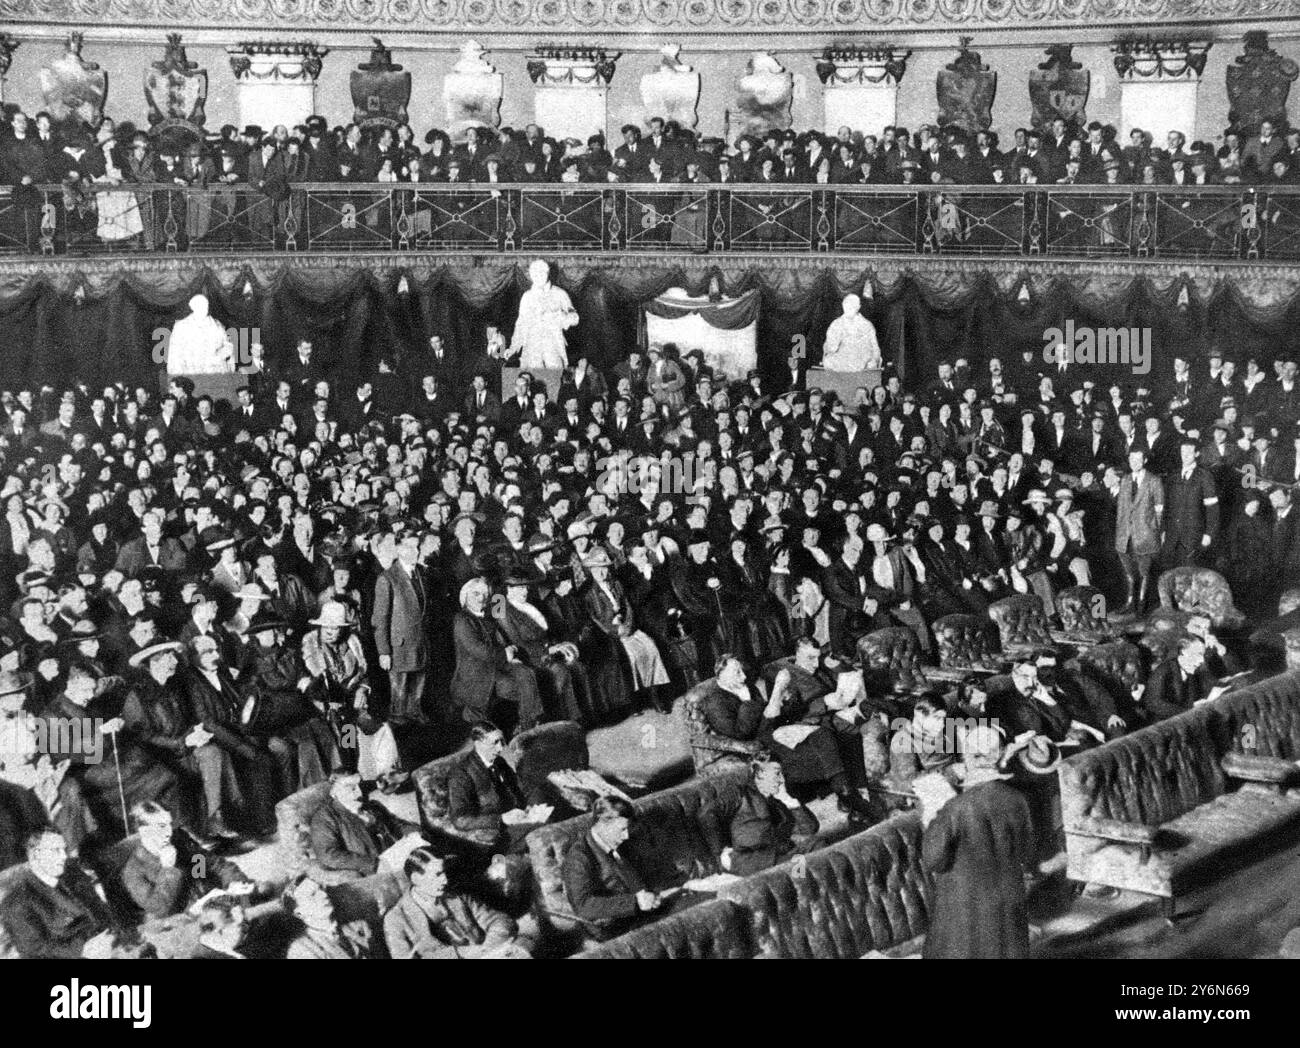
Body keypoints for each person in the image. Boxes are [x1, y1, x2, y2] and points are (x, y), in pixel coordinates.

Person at [919, 724, 1035, 959]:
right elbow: (1027, 852)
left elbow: (933, 860)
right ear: (1000, 755)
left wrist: (931, 818)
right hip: (1007, 903)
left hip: (965, 908)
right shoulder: (1017, 799)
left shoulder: (955, 808)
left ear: (969, 757)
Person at [384, 847, 528, 959]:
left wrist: (487, 950)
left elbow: (499, 920)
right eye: (438, 874)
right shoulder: (396, 919)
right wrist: (460, 953)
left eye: (444, 873)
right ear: (416, 878)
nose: (445, 880)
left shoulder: (456, 895)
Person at [0, 828, 121, 958]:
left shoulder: (72, 873)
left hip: (111, 946)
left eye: (64, 849)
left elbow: (100, 909)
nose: (64, 856)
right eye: (55, 851)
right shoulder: (16, 903)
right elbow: (35, 952)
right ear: (35, 856)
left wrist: (115, 936)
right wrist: (83, 951)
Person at [711, 757, 818, 876]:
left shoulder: (777, 798)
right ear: (760, 773)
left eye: (783, 774)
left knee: (818, 845)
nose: (781, 780)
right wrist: (719, 851)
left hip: (776, 854)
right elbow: (706, 814)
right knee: (801, 865)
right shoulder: (741, 794)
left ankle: (801, 879)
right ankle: (800, 882)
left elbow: (810, 829)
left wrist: (788, 800)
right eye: (777, 774)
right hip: (752, 859)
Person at [283, 874, 375, 959]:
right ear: (299, 913)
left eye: (321, 889)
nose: (324, 895)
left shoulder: (358, 925)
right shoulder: (302, 950)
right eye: (313, 895)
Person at [510, 259, 578, 370]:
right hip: (532, 343)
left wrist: (559, 316)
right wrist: (513, 347)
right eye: (535, 274)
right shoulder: (527, 297)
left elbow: (574, 318)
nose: (539, 277)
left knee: (556, 374)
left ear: (548, 274)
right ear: (531, 276)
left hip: (553, 341)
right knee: (533, 375)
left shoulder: (560, 293)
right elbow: (520, 324)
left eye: (542, 273)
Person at [820, 293, 882, 371]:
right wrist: (836, 340)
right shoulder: (837, 324)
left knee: (871, 363)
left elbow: (875, 348)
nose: (849, 309)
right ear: (843, 306)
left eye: (852, 306)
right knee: (828, 362)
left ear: (858, 307)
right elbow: (829, 348)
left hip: (861, 358)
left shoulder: (866, 325)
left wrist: (875, 359)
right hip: (841, 359)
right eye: (846, 306)